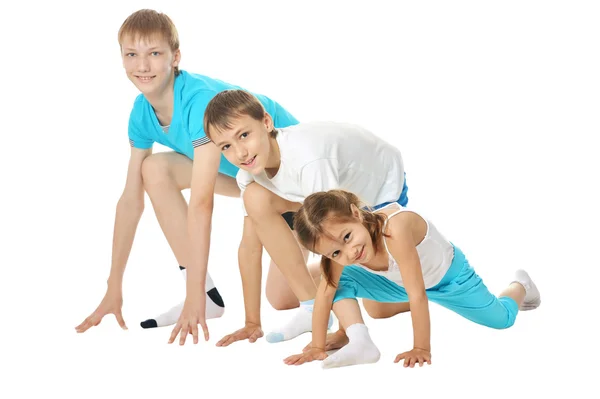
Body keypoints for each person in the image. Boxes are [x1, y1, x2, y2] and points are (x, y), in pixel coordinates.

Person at [75, 9, 299, 338]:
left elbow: (202, 200)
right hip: (252, 181)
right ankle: (207, 295)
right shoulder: (141, 112)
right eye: (132, 55)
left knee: (281, 298)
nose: (143, 66)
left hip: (294, 184)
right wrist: (114, 286)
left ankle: (348, 268)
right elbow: (130, 201)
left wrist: (189, 299)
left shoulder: (199, 103)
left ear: (175, 57)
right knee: (152, 169)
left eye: (154, 54)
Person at [193, 89, 410, 348]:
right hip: (323, 196)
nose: (240, 153)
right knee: (281, 295)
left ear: (266, 122)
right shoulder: (249, 174)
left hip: (378, 192)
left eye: (244, 135)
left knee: (377, 308)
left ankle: (422, 275)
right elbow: (249, 247)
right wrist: (252, 321)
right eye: (226, 146)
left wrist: (347, 330)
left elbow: (336, 237)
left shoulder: (308, 160)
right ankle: (310, 307)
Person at [283, 189, 542, 369]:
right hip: (400, 282)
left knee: (502, 320)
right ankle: (347, 332)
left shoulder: (394, 229)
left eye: (348, 236)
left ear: (356, 213)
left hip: (448, 279)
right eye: (336, 252)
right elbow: (325, 295)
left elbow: (417, 294)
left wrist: (421, 348)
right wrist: (317, 346)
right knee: (339, 282)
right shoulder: (337, 254)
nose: (349, 252)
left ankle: (520, 285)